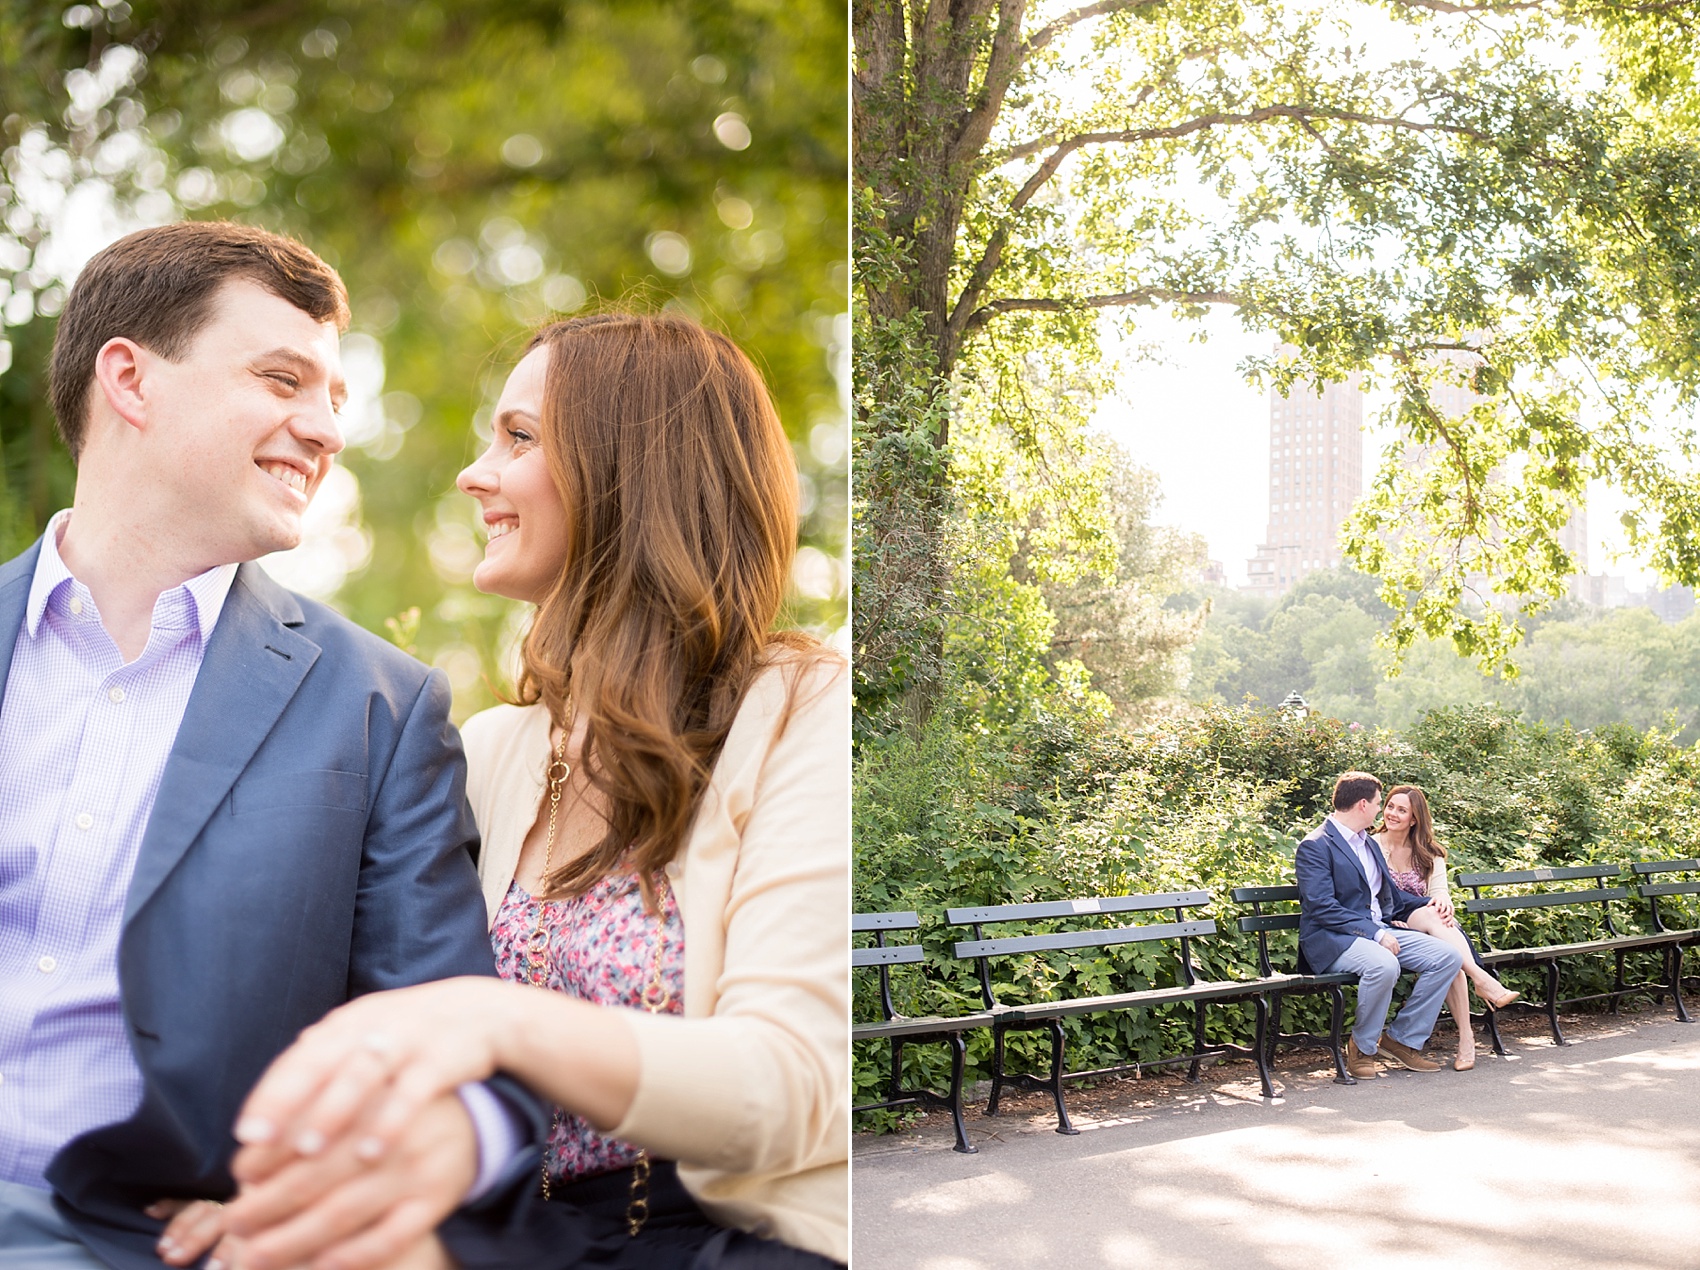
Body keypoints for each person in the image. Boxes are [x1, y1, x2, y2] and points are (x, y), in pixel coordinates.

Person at [173, 312, 849, 1270]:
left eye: (519, 438)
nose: (473, 473)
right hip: (527, 1234)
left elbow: (795, 1087)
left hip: (737, 1238)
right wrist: (279, 1193)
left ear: (631, 470)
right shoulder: (489, 750)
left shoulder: (801, 709)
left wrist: (501, 1021)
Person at [0, 221, 531, 1269]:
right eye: (282, 378)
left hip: (141, 1242)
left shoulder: (377, 707)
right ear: (130, 380)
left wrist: (343, 1186)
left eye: (333, 398)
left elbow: (451, 1042)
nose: (324, 428)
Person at [1295, 771, 1465, 1078]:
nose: (1380, 810)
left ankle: (1401, 1040)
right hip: (1334, 938)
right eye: (1377, 803)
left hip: (1379, 929)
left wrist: (1430, 903)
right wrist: (1375, 933)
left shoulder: (1368, 844)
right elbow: (1321, 907)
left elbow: (1389, 896)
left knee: (1447, 957)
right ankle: (1362, 1047)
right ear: (1362, 804)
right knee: (1384, 965)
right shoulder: (1316, 845)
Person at [1373, 784, 1519, 1071]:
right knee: (1441, 934)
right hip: (1392, 918)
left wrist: (1441, 900)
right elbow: (1369, 894)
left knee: (1442, 935)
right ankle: (1482, 983)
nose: (1392, 813)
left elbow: (1439, 892)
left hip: (1422, 916)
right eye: (1390, 806)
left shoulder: (1430, 853)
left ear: (1414, 819)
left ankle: (1467, 1036)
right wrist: (1388, 921)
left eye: (1402, 810)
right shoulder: (1372, 845)